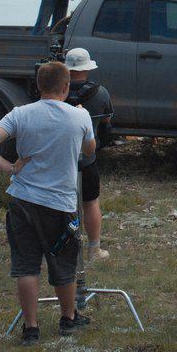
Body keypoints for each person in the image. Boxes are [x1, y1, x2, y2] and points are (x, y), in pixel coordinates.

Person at [0, 60, 95, 345]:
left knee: (26, 265)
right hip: (60, 203)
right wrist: (83, 119)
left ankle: (31, 327)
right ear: (66, 87)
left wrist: (9, 167)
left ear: (38, 85)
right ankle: (69, 318)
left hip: (23, 199)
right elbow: (90, 150)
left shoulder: (20, 114)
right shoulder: (79, 117)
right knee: (63, 263)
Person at [63, 47, 113, 260]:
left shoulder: (57, 91)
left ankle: (64, 248)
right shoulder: (100, 93)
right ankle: (94, 248)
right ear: (87, 68)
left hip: (61, 158)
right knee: (91, 201)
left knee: (63, 203)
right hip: (87, 156)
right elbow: (107, 122)